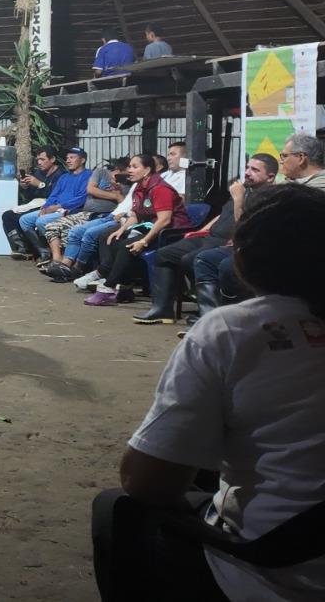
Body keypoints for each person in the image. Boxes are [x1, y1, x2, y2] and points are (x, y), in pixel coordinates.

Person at [93, 183, 325, 602]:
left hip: (272, 568)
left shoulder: (232, 330)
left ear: (243, 255)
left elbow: (146, 480)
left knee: (117, 508)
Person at [135, 154, 277, 325]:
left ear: (270, 177)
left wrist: (239, 199)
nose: (247, 173)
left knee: (193, 259)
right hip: (209, 236)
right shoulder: (245, 190)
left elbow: (244, 226)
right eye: (247, 167)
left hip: (227, 242)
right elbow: (222, 215)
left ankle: (209, 313)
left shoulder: (267, 197)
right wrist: (202, 230)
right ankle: (162, 310)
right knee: (165, 254)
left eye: (254, 170)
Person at [192, 133, 325, 315]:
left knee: (231, 266)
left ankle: (242, 317)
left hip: (296, 253)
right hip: (268, 245)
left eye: (284, 156)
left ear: (301, 158)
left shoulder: (318, 187)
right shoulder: (286, 183)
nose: (282, 161)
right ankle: (211, 316)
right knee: (206, 259)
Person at [85, 154, 191, 307]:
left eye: (135, 167)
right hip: (150, 227)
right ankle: (125, 287)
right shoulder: (139, 188)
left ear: (147, 170)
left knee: (126, 246)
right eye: (129, 167)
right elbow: (136, 214)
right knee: (114, 239)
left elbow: (164, 220)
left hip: (169, 233)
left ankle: (108, 289)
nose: (130, 170)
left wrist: (144, 240)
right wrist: (121, 229)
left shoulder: (160, 188)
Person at [40, 158, 125, 267]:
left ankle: (69, 266)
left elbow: (124, 204)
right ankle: (57, 260)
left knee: (75, 231)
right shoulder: (101, 172)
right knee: (51, 226)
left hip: (105, 214)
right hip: (86, 212)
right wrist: (114, 195)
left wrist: (118, 193)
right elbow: (90, 189)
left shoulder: (127, 185)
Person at [14, 148, 91, 262]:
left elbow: (81, 199)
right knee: (24, 220)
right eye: (67, 158)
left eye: (72, 157)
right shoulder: (65, 177)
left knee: (41, 221)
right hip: (54, 208)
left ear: (82, 160)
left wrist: (58, 207)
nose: (68, 161)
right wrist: (45, 207)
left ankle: (58, 254)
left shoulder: (89, 176)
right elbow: (53, 195)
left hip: (72, 210)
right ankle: (44, 251)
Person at [1, 147, 64, 254]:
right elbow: (31, 195)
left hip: (50, 205)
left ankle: (39, 250)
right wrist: (25, 186)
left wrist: (40, 184)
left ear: (52, 159)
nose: (39, 162)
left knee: (16, 217)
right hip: (35, 203)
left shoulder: (61, 175)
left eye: (42, 159)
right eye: (38, 159)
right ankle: (20, 248)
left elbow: (56, 196)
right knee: (7, 215)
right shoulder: (39, 173)